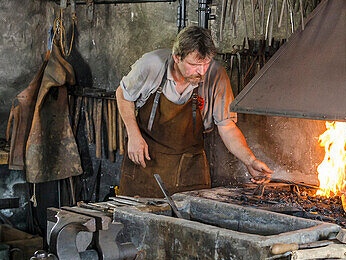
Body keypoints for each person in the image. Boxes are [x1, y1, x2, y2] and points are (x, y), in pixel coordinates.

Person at [115, 26, 271, 197]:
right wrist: (134, 136)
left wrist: (249, 160)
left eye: (206, 63)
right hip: (147, 162)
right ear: (177, 57)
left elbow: (227, 125)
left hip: (191, 169)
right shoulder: (152, 65)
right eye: (194, 64)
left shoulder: (216, 75)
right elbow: (123, 95)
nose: (201, 71)